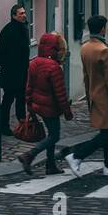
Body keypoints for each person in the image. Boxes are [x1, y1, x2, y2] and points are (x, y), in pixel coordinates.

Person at [63, 14, 108, 179]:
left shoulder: (85, 48)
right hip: (106, 98)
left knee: (107, 131)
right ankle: (77, 156)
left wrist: (89, 95)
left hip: (94, 95)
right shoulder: (103, 50)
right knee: (107, 134)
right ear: (103, 29)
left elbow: (86, 76)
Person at [19, 32, 72, 176]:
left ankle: (51, 165)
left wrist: (29, 104)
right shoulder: (54, 67)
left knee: (51, 135)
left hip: (38, 105)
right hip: (50, 107)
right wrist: (67, 111)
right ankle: (29, 155)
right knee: (54, 136)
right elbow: (60, 94)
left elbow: (29, 86)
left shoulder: (34, 62)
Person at [0, 4, 30, 135]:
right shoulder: (8, 30)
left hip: (21, 72)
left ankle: (23, 126)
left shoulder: (23, 28)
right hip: (11, 73)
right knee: (8, 99)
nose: (24, 15)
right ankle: (3, 126)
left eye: (24, 13)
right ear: (14, 16)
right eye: (21, 13)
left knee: (21, 99)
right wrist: (9, 67)